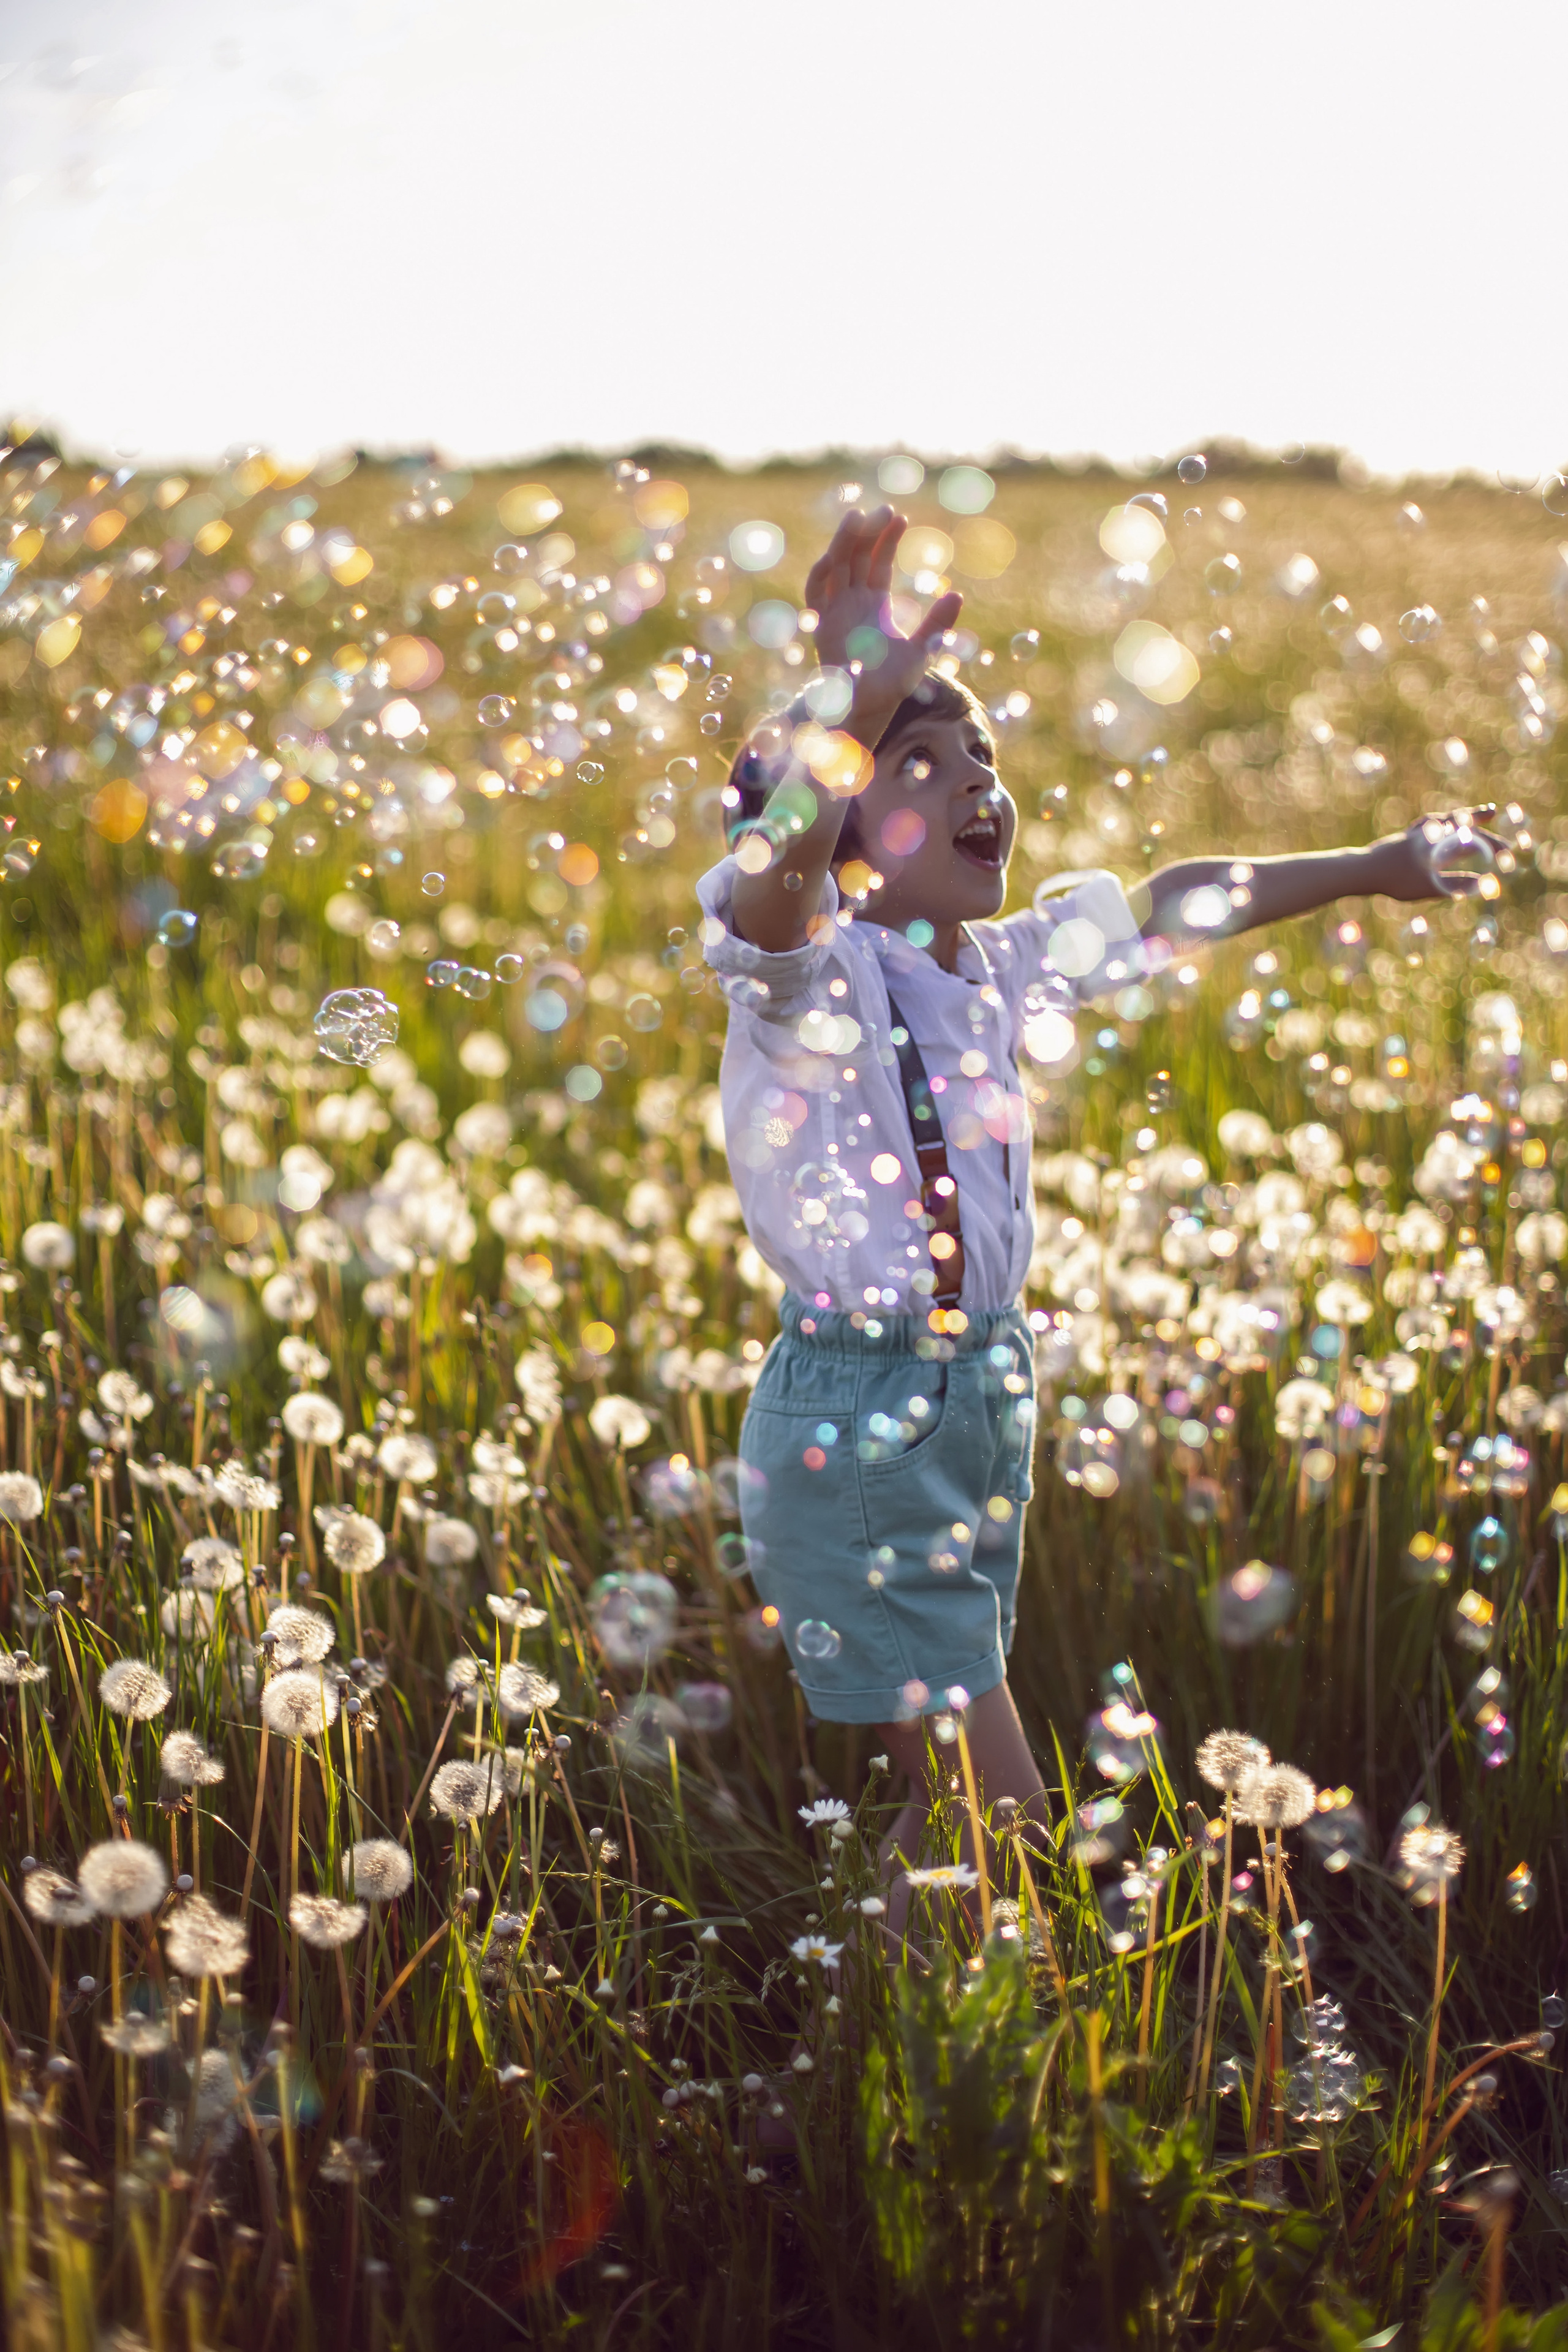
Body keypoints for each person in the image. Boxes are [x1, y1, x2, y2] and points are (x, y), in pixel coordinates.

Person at [698, 502, 1498, 1925]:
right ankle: (906, 2052)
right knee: (997, 1809)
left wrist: (1376, 864)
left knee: (953, 1810)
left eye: (979, 761)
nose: (970, 785)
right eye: (917, 764)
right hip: (859, 1420)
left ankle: (871, 2035)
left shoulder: (998, 967)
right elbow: (773, 881)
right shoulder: (811, 981)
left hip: (969, 1402)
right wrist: (849, 693)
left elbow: (1178, 897)